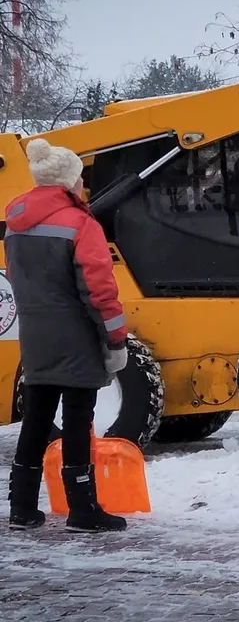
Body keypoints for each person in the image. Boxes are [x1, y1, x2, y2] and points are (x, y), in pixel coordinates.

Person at [5, 139, 129, 533]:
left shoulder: (15, 221)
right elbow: (99, 290)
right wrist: (115, 339)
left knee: (36, 419)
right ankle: (82, 508)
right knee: (78, 419)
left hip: (36, 336)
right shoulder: (80, 224)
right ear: (70, 181)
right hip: (75, 337)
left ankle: (22, 506)